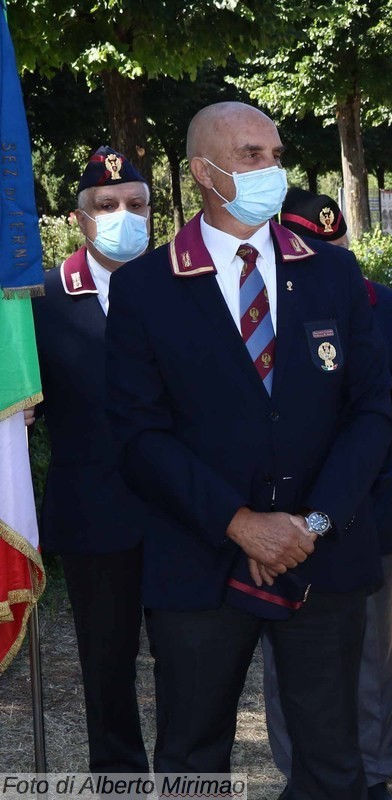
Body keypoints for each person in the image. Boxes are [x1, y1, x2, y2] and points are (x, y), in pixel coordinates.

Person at [104, 101, 392, 799]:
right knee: (192, 757)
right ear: (205, 172)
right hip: (200, 559)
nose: (274, 169)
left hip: (319, 558)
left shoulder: (332, 272)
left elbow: (373, 412)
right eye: (252, 156)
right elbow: (139, 434)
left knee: (332, 760)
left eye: (276, 152)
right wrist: (242, 525)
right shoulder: (145, 287)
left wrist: (309, 524)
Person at [265, 188, 392, 800]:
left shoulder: (388, 307)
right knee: (281, 653)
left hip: (366, 510)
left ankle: (374, 769)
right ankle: (297, 769)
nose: (326, 255)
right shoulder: (257, 304)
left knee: (369, 652)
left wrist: (351, 480)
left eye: (335, 245)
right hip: (276, 516)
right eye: (313, 243)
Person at [30, 146, 153, 775]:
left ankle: (193, 775)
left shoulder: (188, 288)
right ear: (82, 218)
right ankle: (123, 782)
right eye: (108, 206)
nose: (123, 216)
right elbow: (28, 400)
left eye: (136, 205)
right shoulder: (43, 300)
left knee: (197, 663)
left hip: (186, 514)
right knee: (107, 672)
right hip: (95, 517)